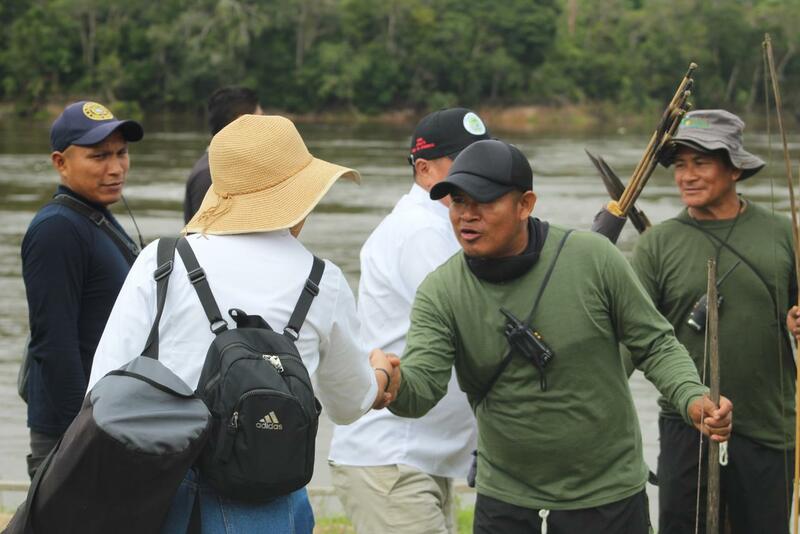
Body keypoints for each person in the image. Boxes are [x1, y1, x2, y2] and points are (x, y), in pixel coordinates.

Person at [379, 139, 733, 534]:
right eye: (459, 202)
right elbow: (422, 388)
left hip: (608, 497)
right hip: (507, 501)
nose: (467, 216)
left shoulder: (594, 259)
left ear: (525, 204)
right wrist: (392, 383)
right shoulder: (441, 290)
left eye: (483, 202)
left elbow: (654, 345)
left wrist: (691, 396)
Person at [87, 114, 396, 533]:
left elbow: (102, 388)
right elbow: (349, 403)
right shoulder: (322, 281)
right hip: (266, 502)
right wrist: (379, 374)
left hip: (160, 496)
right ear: (300, 197)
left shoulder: (161, 262)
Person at [631, 109, 796, 534]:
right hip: (687, 421)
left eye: (700, 162)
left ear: (735, 169)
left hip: (768, 423)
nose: (687, 175)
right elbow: (631, 338)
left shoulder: (785, 233)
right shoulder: (657, 245)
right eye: (680, 165)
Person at [328, 108, 488, 533]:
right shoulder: (421, 230)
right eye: (465, 160)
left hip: (420, 455)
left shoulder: (447, 224)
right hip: (393, 455)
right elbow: (474, 317)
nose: (478, 171)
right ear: (424, 169)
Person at [20, 100, 143, 478]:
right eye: (99, 156)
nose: (115, 168)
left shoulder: (94, 218)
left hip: (106, 418)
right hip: (75, 431)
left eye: (121, 153)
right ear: (61, 162)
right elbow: (54, 343)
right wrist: (83, 432)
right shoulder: (57, 229)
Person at [183, 86, 262, 223]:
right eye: (261, 120)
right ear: (242, 122)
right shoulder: (209, 175)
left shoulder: (227, 168)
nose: (265, 127)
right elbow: (204, 237)